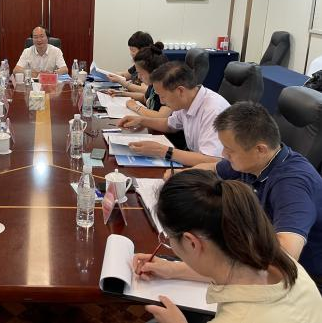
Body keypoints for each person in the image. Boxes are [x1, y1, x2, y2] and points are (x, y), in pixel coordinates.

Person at [133, 169, 322, 323]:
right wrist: (172, 269)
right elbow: (223, 267)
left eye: (168, 238)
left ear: (192, 242)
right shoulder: (280, 260)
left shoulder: (238, 318)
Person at [182, 102, 322, 290]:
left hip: (303, 279)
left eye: (229, 149)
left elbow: (285, 257)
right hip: (256, 250)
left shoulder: (292, 184)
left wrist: (180, 270)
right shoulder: (254, 161)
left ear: (260, 149)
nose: (224, 154)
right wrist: (175, 179)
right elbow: (210, 169)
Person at [117, 62, 230, 166]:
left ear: (180, 91)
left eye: (163, 96)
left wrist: (161, 151)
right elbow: (170, 125)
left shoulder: (213, 111)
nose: (161, 102)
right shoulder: (187, 100)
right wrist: (142, 121)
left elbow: (213, 161)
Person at [112, 42, 172, 119]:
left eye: (140, 73)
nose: (139, 77)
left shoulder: (168, 88)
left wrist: (135, 107)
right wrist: (121, 94)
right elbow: (145, 98)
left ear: (153, 72)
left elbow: (161, 116)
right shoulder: (153, 84)